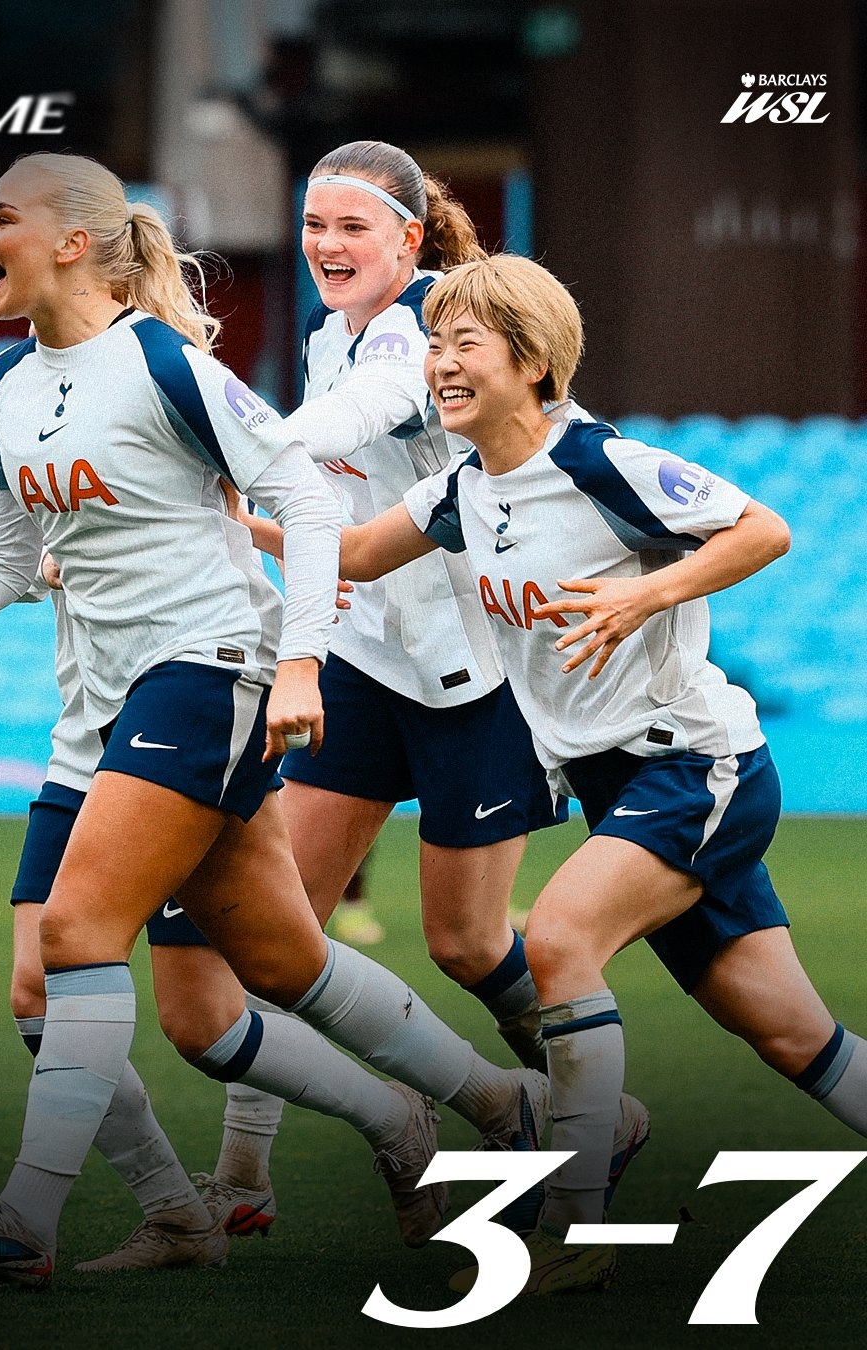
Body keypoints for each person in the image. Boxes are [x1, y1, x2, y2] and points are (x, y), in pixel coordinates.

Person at [0, 153, 549, 1286]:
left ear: (74, 242)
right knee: (233, 971)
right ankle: (470, 1110)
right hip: (97, 712)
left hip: (209, 671)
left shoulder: (168, 364)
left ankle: (26, 1221)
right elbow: (4, 558)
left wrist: (299, 663)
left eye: (0, 217)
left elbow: (301, 494)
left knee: (78, 934)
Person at [317, 252, 867, 1294]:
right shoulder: (461, 486)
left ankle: (577, 1224)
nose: (440, 363)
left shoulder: (600, 461)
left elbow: (764, 529)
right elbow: (348, 556)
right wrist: (210, 519)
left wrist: (642, 596)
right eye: (434, 344)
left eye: (465, 342)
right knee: (796, 1036)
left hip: (696, 767)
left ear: (533, 361)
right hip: (621, 787)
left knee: (562, 939)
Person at [180, 140, 645, 1221]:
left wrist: (237, 456)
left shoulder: (431, 326)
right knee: (279, 928)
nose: (327, 246)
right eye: (314, 225)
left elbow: (364, 414)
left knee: (466, 943)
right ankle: (244, 1178)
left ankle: (590, 1119)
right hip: (363, 660)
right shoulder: (325, 330)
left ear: (409, 236)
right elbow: (334, 510)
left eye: (352, 227)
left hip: (480, 675)